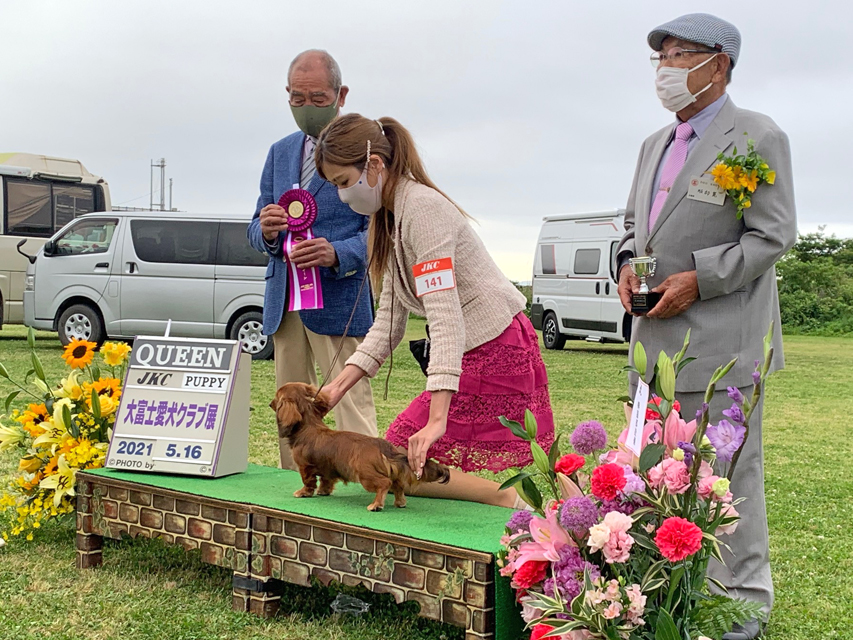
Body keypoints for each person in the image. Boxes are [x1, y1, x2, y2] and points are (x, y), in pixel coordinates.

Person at [615, 14, 796, 640]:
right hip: (654, 353)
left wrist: (699, 277)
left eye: (678, 54)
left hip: (727, 346)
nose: (665, 68)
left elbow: (772, 236)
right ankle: (669, 603)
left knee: (727, 485)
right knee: (659, 478)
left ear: (718, 63)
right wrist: (623, 265)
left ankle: (739, 615)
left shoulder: (757, 136)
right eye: (659, 57)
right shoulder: (653, 146)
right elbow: (635, 228)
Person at [315, 113, 555, 508]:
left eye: (343, 183)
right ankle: (513, 501)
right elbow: (388, 322)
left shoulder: (422, 211)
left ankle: (510, 501)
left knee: (400, 456)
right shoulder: (389, 217)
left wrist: (437, 420)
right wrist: (336, 388)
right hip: (475, 342)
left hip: (495, 343)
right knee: (399, 456)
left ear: (374, 165)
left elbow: (445, 319)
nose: (343, 196)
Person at [247, 50, 377, 471]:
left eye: (317, 98)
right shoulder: (278, 152)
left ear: (341, 94)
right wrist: (266, 232)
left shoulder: (367, 146)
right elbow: (253, 226)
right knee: (290, 414)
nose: (306, 107)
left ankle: (365, 489)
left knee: (350, 404)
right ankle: (295, 494)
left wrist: (338, 252)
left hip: (339, 300)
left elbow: (381, 229)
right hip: (284, 303)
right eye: (297, 98)